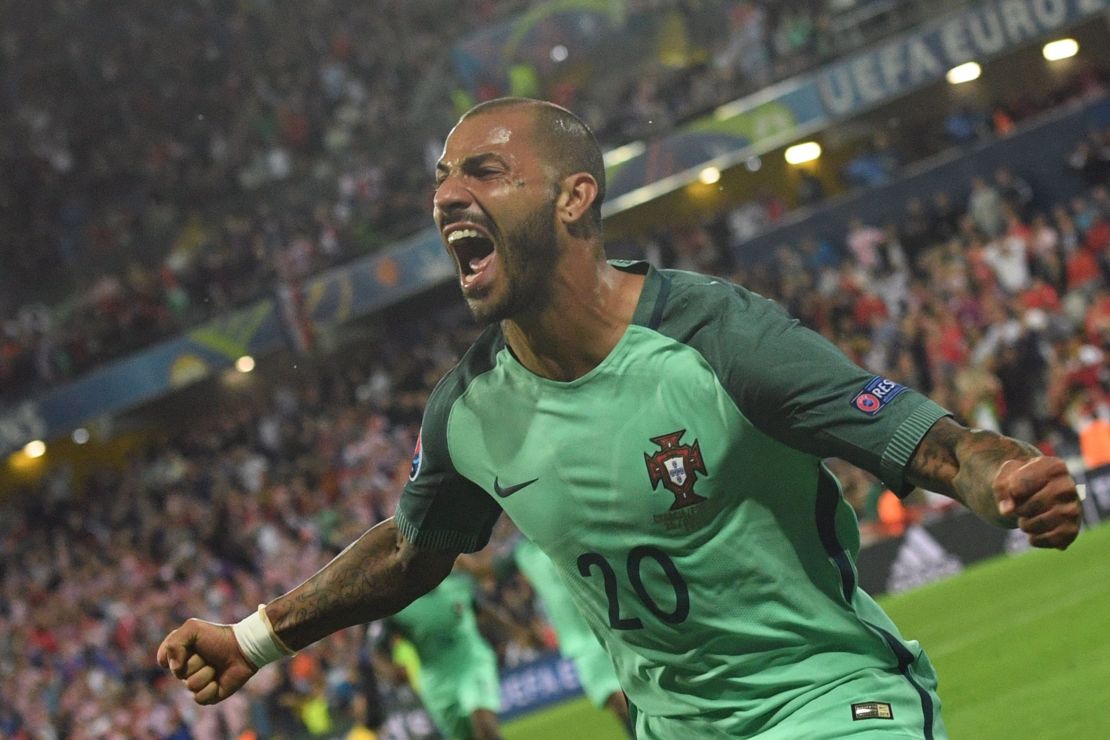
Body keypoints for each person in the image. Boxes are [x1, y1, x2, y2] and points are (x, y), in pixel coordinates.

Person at [159, 98, 1082, 739]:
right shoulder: (468, 410)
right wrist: (250, 639)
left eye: (484, 171)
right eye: (443, 179)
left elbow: (929, 440)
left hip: (829, 706)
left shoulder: (719, 337)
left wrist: (999, 478)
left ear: (574, 197)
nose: (447, 196)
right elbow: (412, 549)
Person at [512, 537, 630, 730]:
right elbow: (488, 570)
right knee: (617, 701)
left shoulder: (566, 534)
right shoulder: (522, 553)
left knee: (627, 698)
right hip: (581, 641)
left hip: (604, 628)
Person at [379, 570, 502, 740]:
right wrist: (390, 671)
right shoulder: (397, 607)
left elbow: (482, 610)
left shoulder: (460, 583)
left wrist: (517, 632)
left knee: (484, 725)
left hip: (473, 662)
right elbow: (376, 649)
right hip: (437, 682)